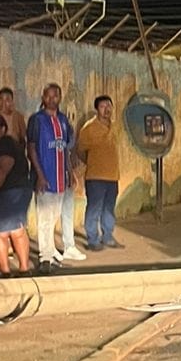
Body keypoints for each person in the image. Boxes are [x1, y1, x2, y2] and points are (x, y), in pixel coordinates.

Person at [27, 82, 84, 271]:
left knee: (53, 218)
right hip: (45, 177)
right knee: (44, 219)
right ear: (43, 98)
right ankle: (44, 257)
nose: (52, 99)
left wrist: (70, 172)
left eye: (55, 96)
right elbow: (31, 148)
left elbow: (65, 149)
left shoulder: (63, 120)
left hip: (61, 178)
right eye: (48, 96)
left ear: (60, 98)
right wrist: (40, 175)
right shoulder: (37, 120)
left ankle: (50, 254)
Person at [0, 114, 33, 275]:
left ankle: (5, 271)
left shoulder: (3, 145)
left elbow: (3, 168)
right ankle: (24, 269)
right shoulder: (10, 144)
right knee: (18, 230)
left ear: (3, 129)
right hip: (20, 191)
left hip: (6, 193)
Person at [78, 94, 123, 252]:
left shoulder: (115, 126)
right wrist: (92, 162)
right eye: (103, 106)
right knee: (94, 209)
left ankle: (108, 236)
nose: (107, 109)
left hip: (113, 176)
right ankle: (92, 239)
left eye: (109, 106)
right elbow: (80, 150)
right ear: (97, 109)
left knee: (109, 209)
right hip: (95, 176)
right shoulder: (89, 128)